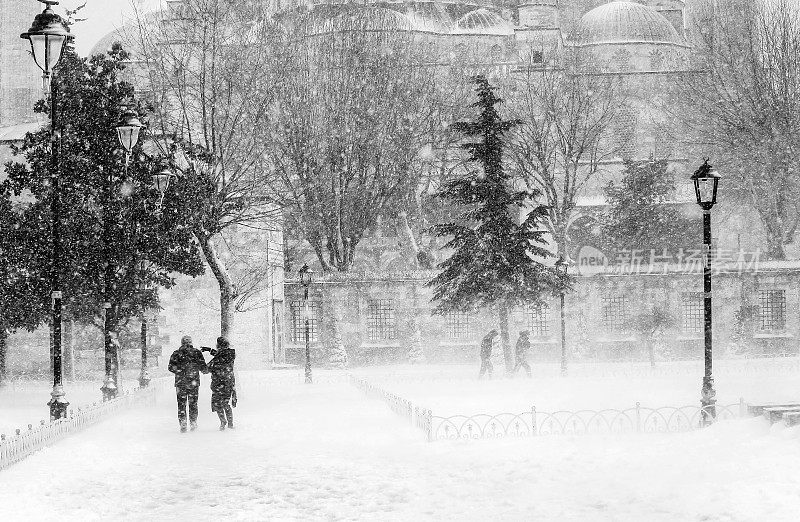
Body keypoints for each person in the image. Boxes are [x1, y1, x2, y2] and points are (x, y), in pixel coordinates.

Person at [168, 335, 208, 433]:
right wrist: (205, 370)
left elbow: (170, 367)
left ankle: (183, 422)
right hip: (193, 383)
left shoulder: (176, 353)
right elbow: (203, 366)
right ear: (191, 342)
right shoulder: (196, 353)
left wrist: (180, 371)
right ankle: (193, 422)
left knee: (181, 404)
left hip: (180, 383)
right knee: (193, 403)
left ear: (182, 343)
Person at [203, 336, 237, 431]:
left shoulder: (217, 359)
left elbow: (207, 369)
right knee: (226, 403)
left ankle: (223, 421)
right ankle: (230, 423)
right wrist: (210, 350)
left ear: (219, 345)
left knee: (218, 404)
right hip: (228, 383)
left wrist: (199, 366)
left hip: (218, 384)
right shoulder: (230, 354)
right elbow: (220, 355)